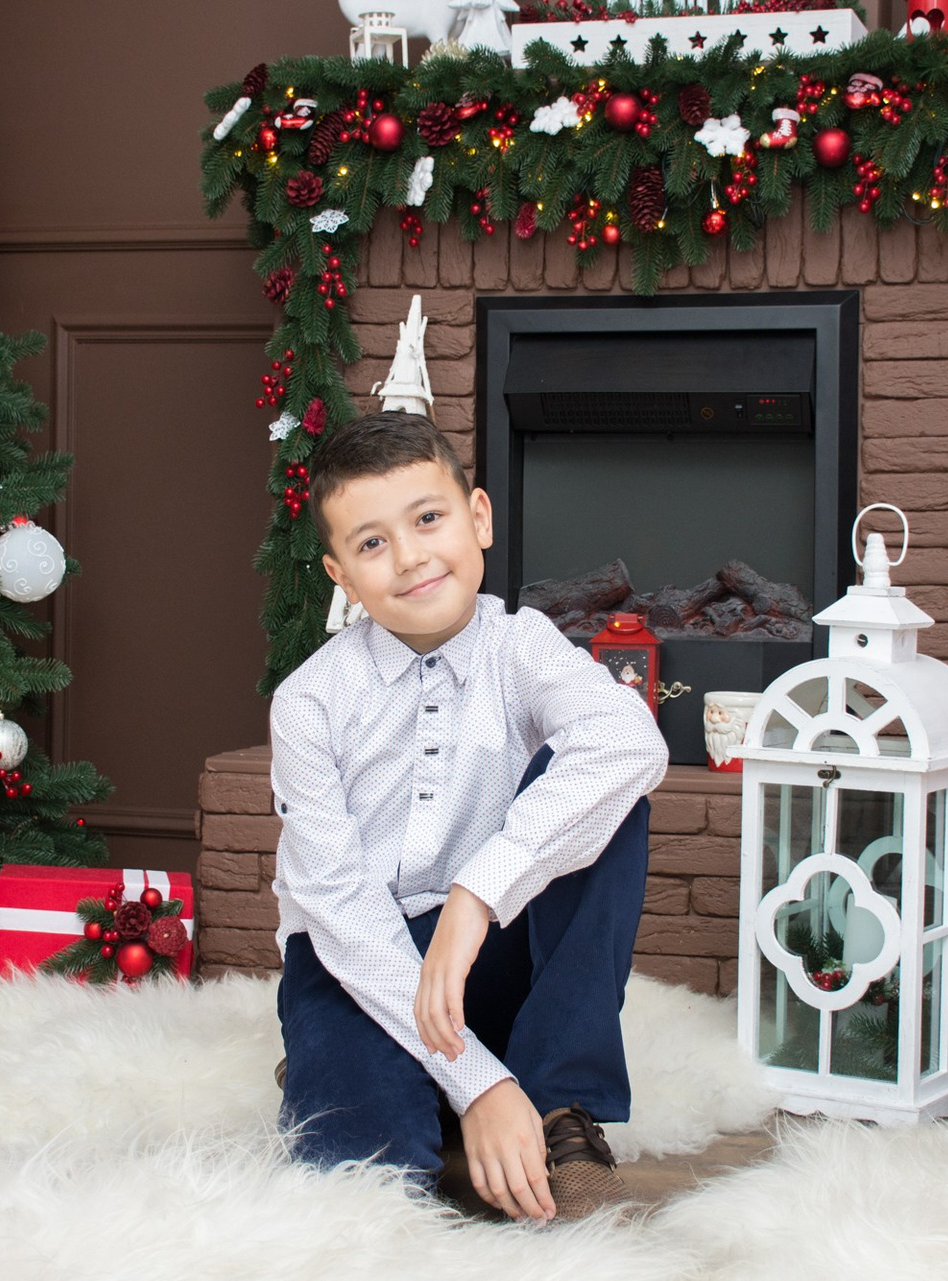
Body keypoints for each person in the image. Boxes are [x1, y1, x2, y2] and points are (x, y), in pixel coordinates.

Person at [270, 411, 669, 1222]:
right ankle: (387, 1071)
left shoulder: (523, 646)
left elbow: (632, 741)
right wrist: (480, 1084)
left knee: (605, 794)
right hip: (360, 962)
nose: (411, 557)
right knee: (359, 1177)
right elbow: (341, 914)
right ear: (340, 574)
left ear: (478, 516)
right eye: (372, 542)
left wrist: (476, 894)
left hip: (489, 952)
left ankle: (556, 1104)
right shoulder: (308, 702)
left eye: (428, 518)